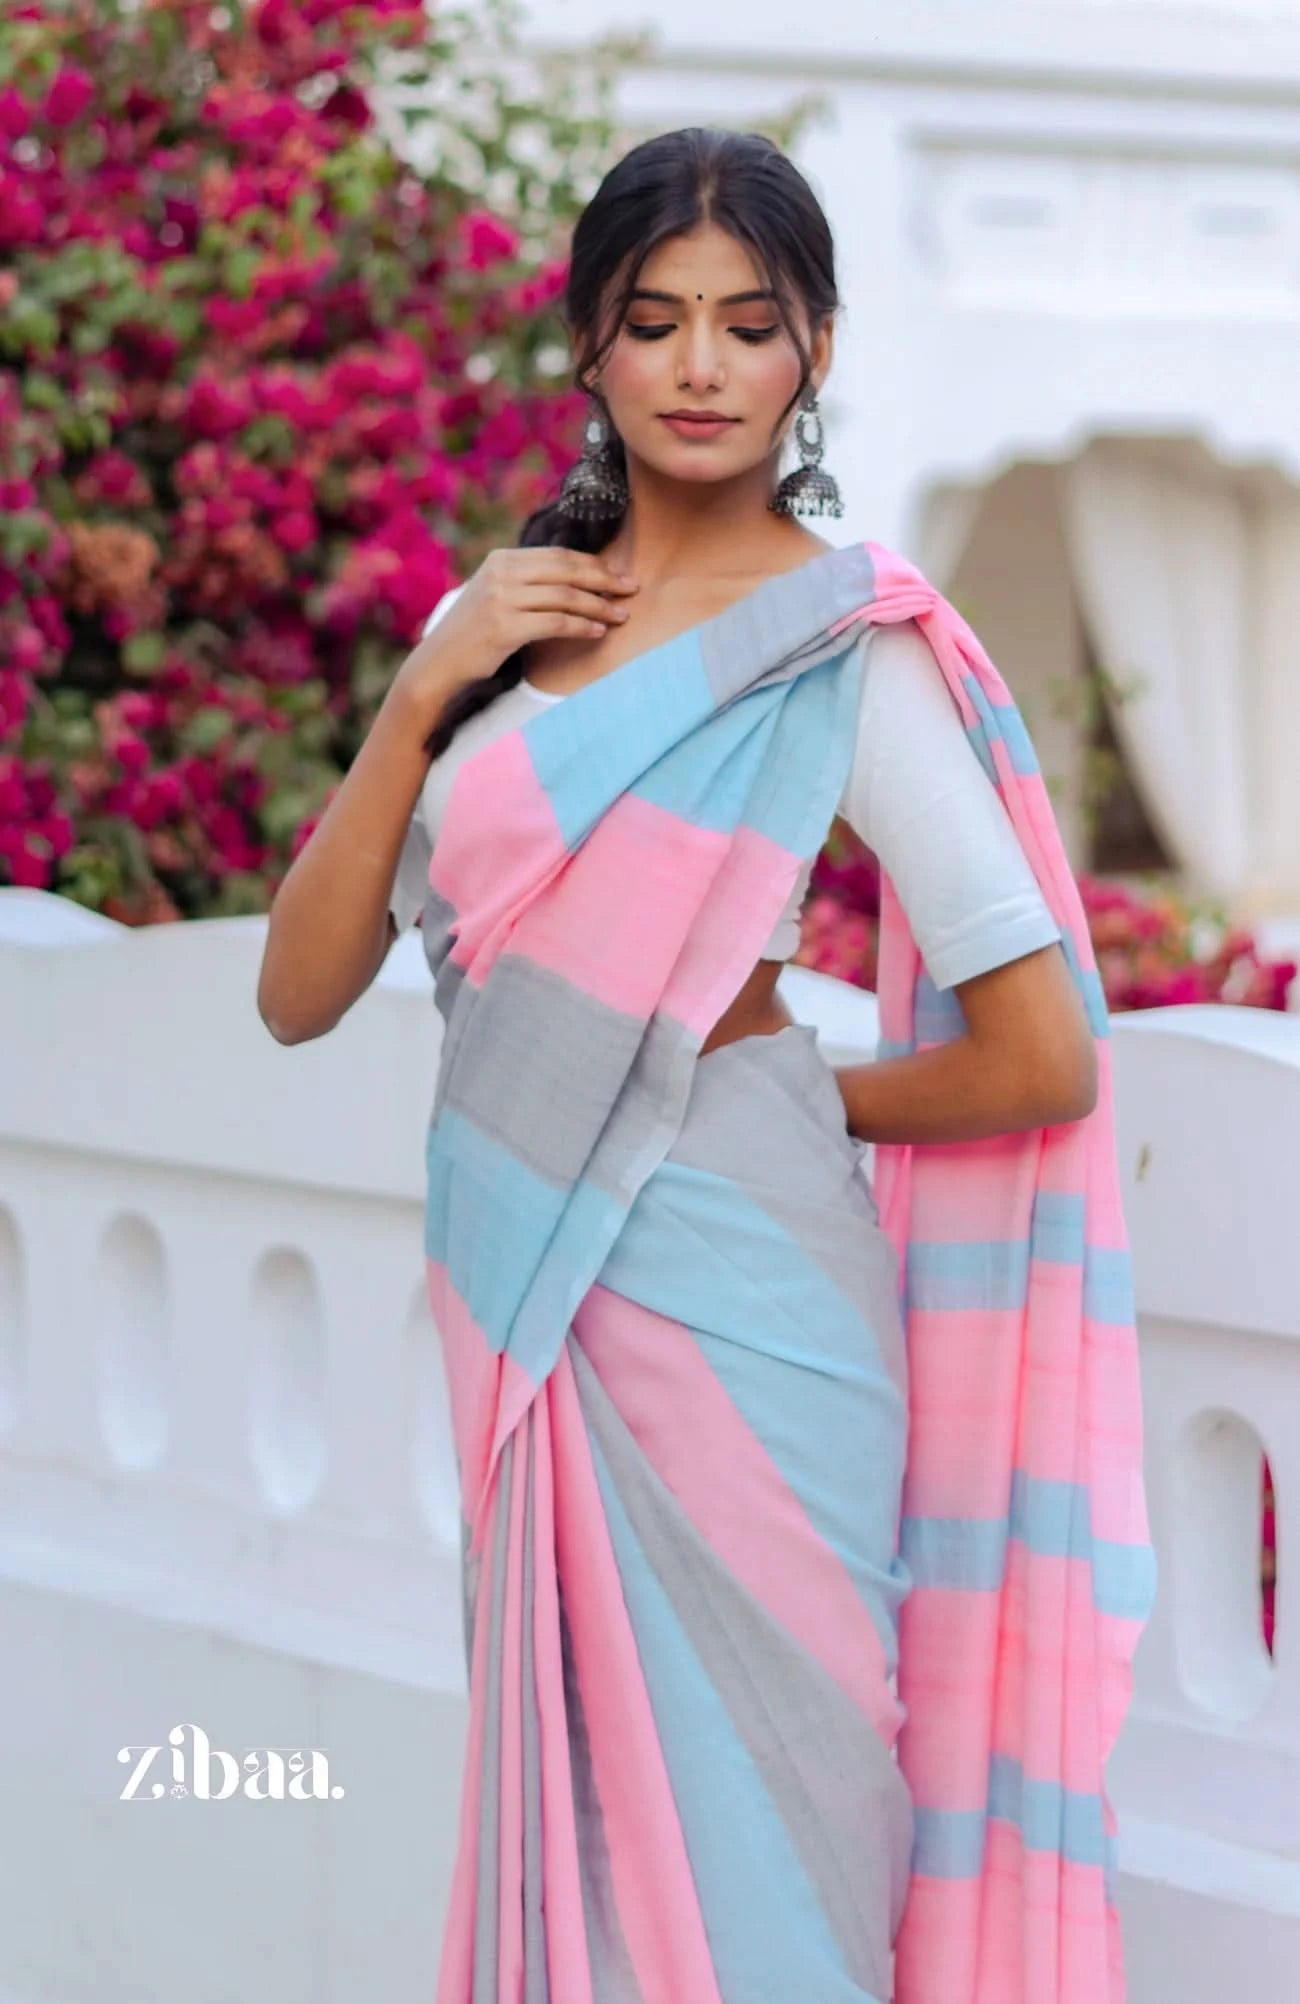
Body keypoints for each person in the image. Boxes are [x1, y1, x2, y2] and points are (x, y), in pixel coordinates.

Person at [259, 127, 1154, 2004]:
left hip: (752, 1292)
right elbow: (297, 987)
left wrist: (784, 1092)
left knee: (784, 1816)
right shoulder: (493, 636)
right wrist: (431, 688)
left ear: (811, 348)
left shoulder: (846, 652)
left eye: (748, 324)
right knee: (577, 1810)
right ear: (587, 343)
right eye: (653, 319)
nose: (697, 364)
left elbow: (1041, 1054)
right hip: (531, 1297)